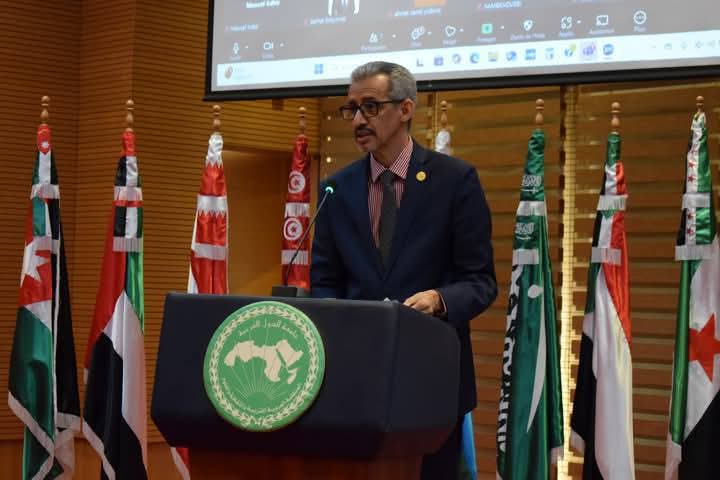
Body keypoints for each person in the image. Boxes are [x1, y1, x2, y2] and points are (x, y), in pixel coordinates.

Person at [310, 61, 497, 479]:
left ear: (406, 109)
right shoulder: (336, 190)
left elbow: (480, 281)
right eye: (352, 109)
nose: (358, 120)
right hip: (355, 382)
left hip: (432, 381)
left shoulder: (455, 181)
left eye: (371, 107)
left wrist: (439, 299)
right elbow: (325, 282)